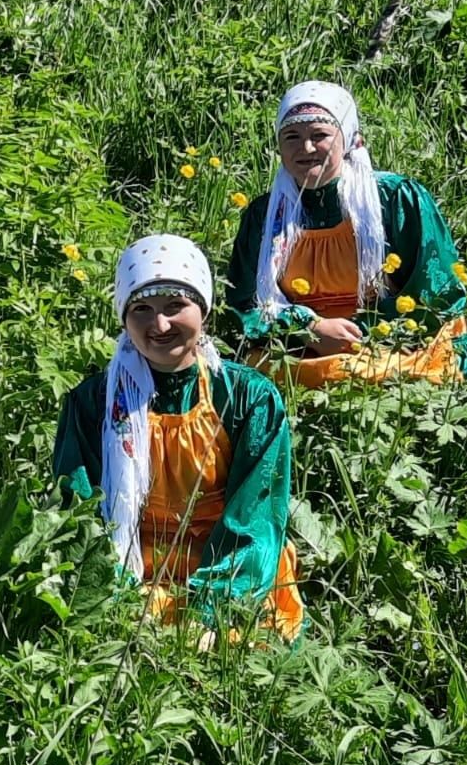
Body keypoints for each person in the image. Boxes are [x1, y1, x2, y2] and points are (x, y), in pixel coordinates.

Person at [54, 235, 304, 645]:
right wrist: (112, 596)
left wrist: (210, 608)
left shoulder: (247, 398)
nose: (160, 325)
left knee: (248, 632)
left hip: (226, 564)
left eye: (175, 306)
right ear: (123, 316)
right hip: (131, 566)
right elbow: (75, 511)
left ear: (202, 309)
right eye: (141, 309)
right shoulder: (93, 401)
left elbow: (254, 518)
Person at [227, 80, 467, 387]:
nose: (305, 148)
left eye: (320, 136)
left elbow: (435, 293)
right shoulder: (265, 215)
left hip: (393, 339)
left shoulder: (395, 198)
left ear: (346, 140)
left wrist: (356, 332)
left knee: (365, 372)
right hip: (299, 344)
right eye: (292, 137)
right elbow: (245, 302)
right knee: (262, 371)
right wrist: (308, 329)